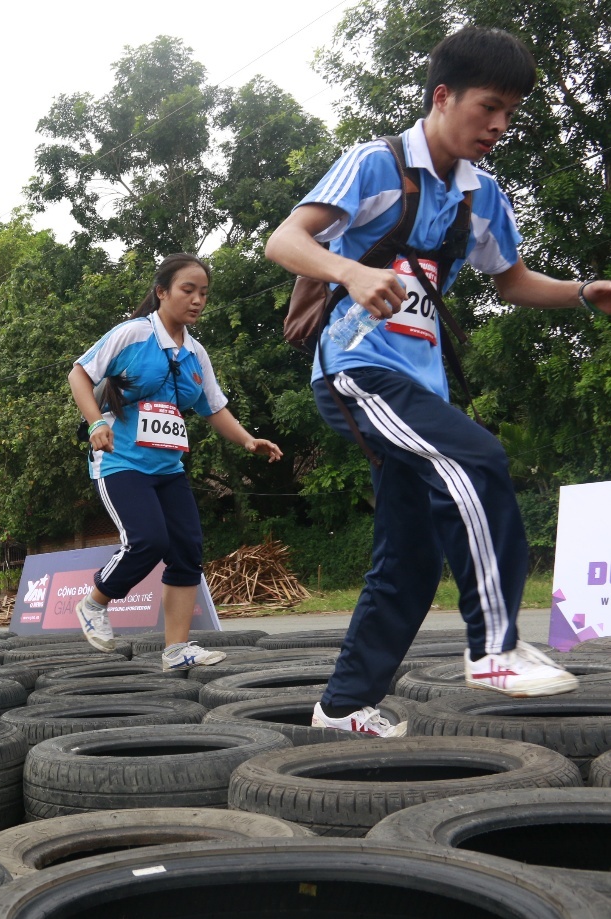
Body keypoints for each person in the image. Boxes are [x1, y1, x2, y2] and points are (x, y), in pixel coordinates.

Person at [264, 27, 610, 735]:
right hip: (356, 370)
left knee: (411, 557)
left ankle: (342, 707)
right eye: (489, 107)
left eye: (510, 112)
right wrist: (350, 271)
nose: (499, 125)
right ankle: (494, 648)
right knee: (476, 456)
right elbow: (285, 240)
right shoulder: (376, 164)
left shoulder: (482, 196)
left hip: (417, 390)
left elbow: (511, 280)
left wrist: (582, 292)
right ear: (443, 95)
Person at [68, 253, 283, 668]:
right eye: (188, 290)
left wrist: (247, 440)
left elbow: (213, 407)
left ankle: (177, 650)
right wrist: (95, 423)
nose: (198, 300)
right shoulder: (133, 335)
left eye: (204, 293)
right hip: (120, 461)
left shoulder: (196, 354)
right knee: (149, 540)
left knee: (187, 550)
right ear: (162, 292)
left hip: (168, 468)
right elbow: (79, 373)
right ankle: (94, 603)